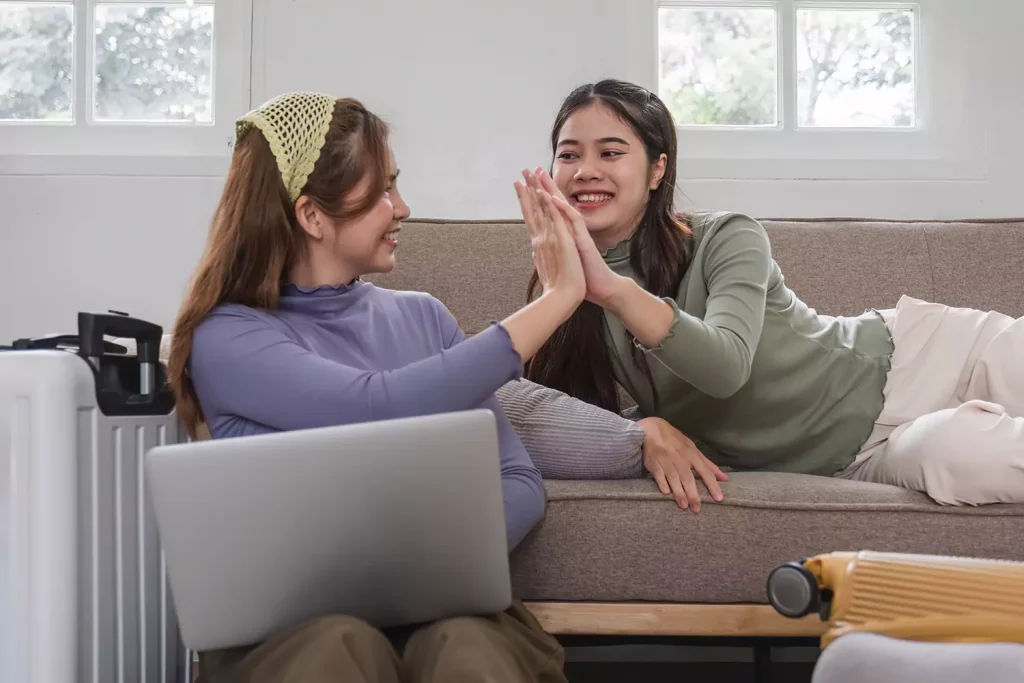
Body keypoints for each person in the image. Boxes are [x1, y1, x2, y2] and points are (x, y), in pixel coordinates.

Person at [167, 92, 582, 683]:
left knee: (465, 646)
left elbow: (516, 479)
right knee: (339, 646)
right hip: (292, 628)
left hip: (440, 603)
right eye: (384, 190)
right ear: (312, 216)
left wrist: (422, 568)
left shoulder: (422, 317)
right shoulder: (229, 337)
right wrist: (557, 300)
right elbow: (373, 404)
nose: (404, 207)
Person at [520, 78, 1024, 508]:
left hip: (923, 358)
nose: (585, 170)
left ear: (657, 170)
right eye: (569, 155)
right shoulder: (566, 287)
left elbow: (725, 367)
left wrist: (608, 288)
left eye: (611, 152)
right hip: (862, 459)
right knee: (969, 457)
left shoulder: (726, 236)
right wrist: (640, 428)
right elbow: (535, 415)